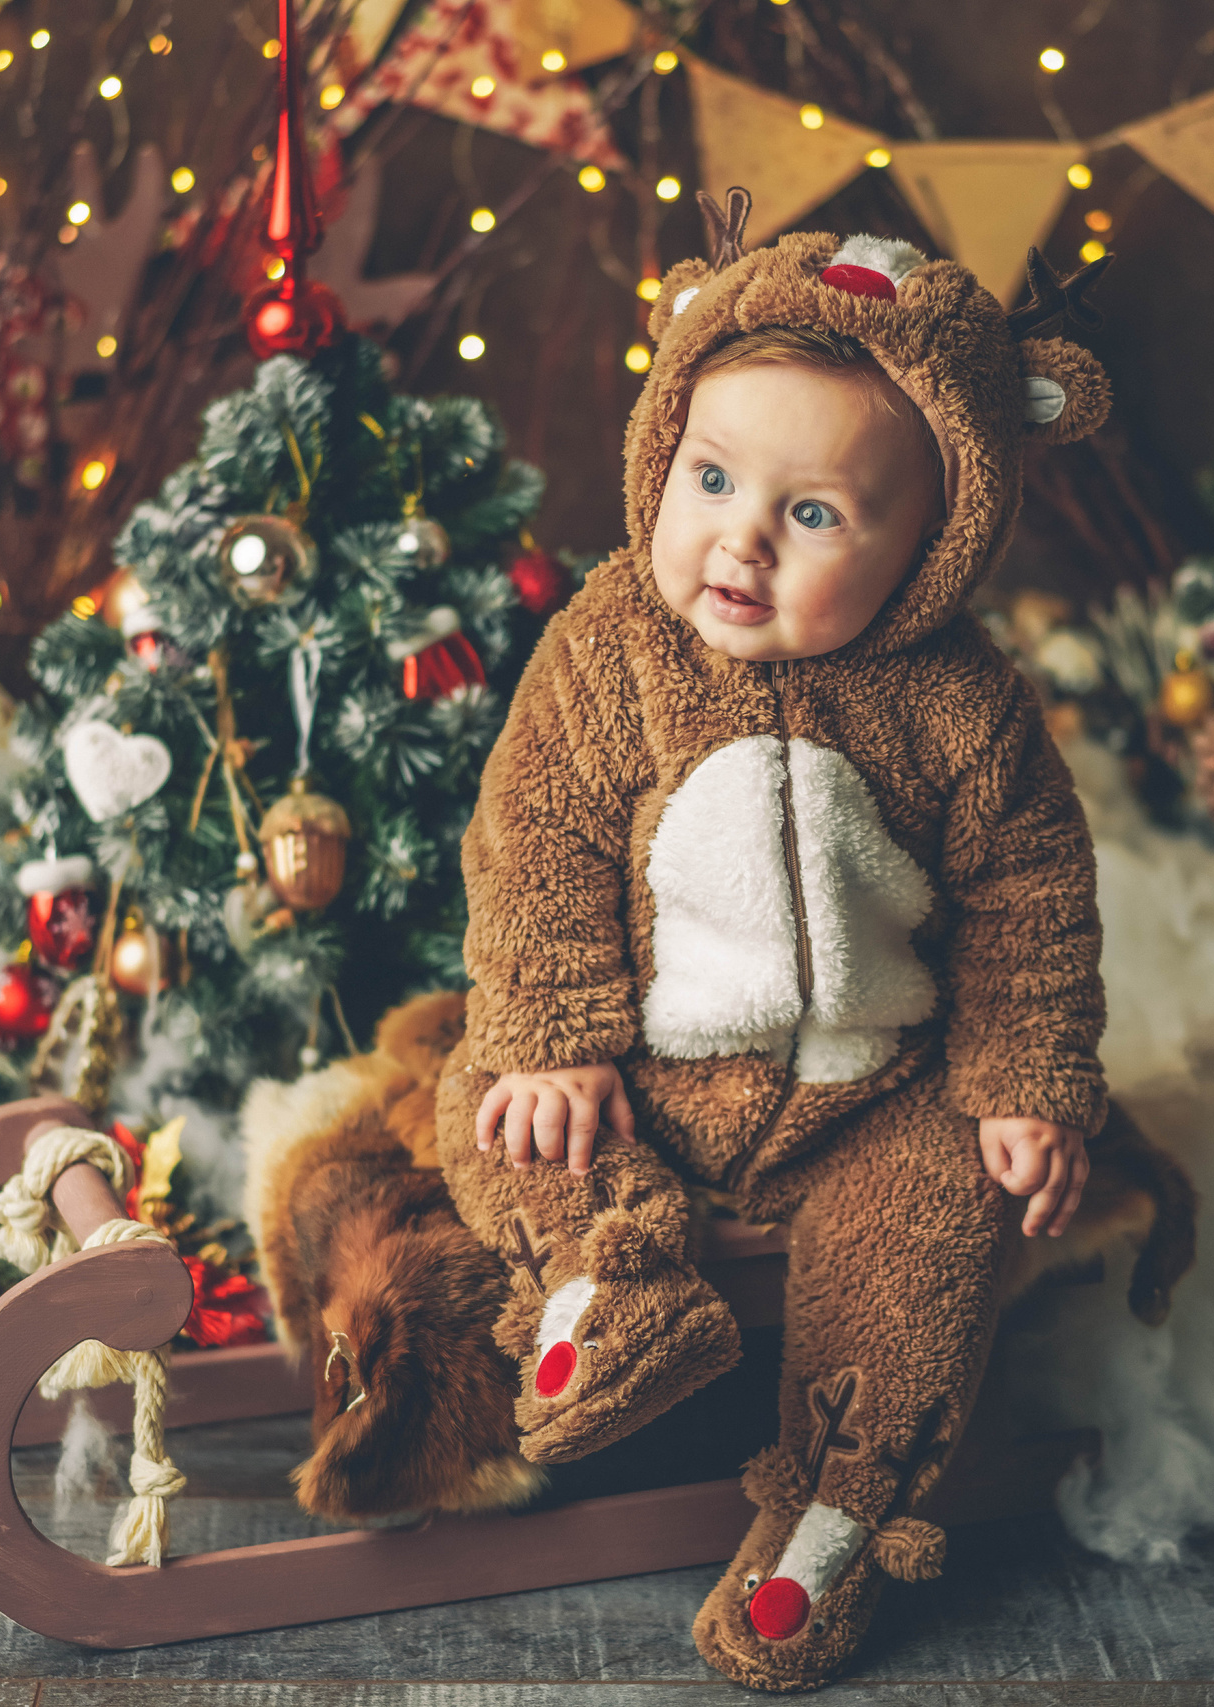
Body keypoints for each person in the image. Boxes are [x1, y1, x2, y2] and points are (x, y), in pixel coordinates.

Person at [432, 196, 1116, 1692]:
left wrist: (1024, 1082)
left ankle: (833, 1519)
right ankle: (607, 1288)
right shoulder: (609, 645)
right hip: (645, 1086)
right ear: (659, 456)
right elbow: (531, 839)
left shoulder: (963, 703)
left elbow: (1032, 906)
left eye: (811, 514)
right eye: (712, 478)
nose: (739, 540)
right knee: (486, 1106)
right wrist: (555, 1039)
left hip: (871, 1096)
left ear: (933, 543)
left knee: (940, 1224)